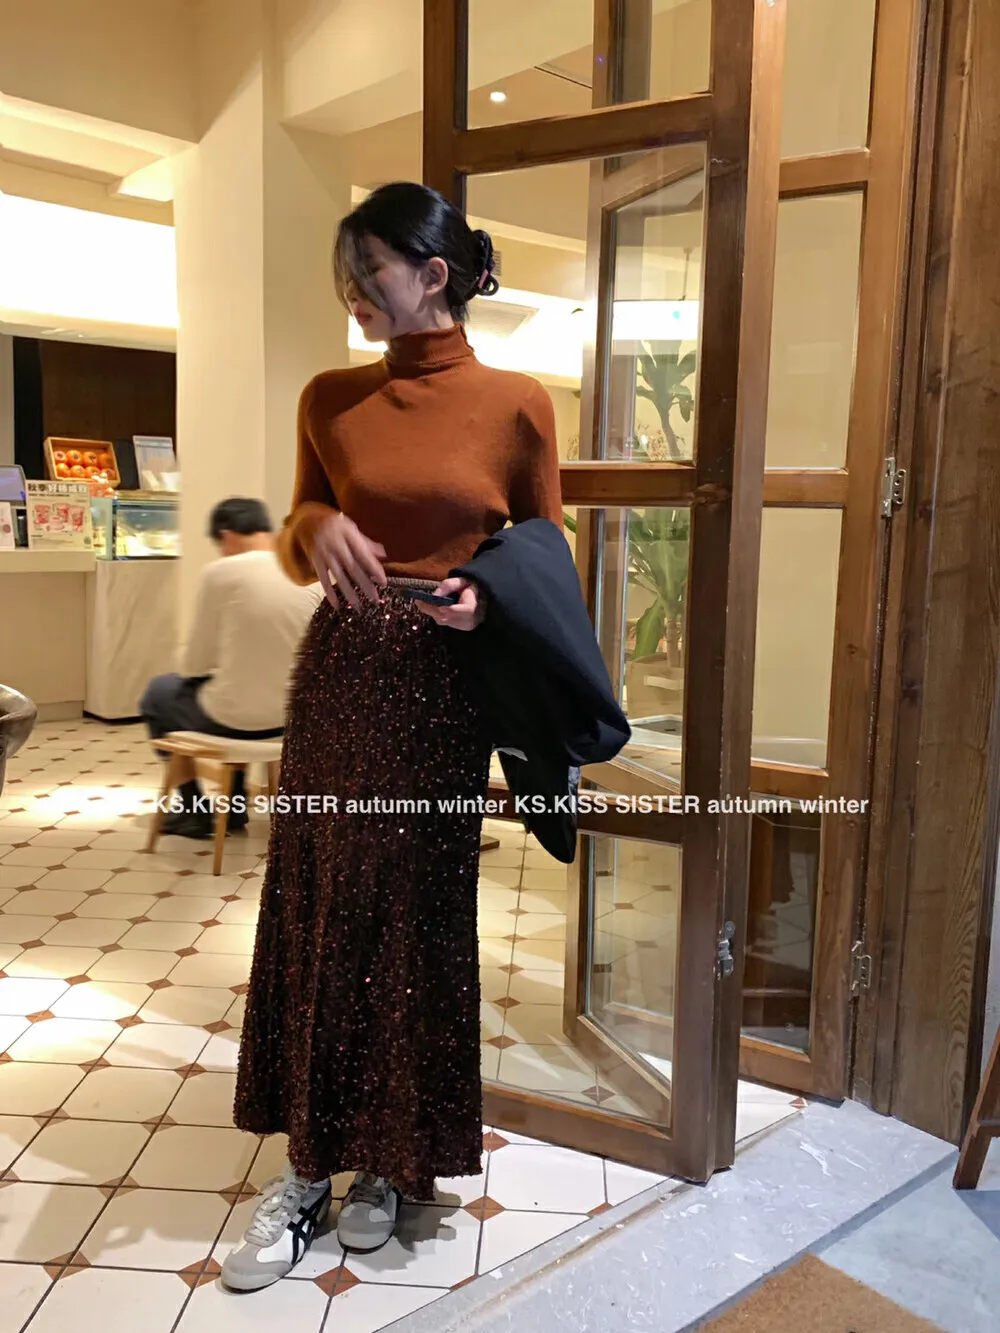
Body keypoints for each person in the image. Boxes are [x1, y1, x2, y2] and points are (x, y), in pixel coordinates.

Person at [222, 181, 563, 1292]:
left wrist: (486, 598)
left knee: (413, 917)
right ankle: (306, 1166)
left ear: (433, 272)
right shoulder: (331, 397)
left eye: (367, 271)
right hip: (341, 676)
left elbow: (544, 557)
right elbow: (294, 538)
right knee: (321, 902)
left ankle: (388, 1158)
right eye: (347, 275)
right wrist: (317, 522)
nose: (352, 294)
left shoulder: (517, 402)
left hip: (444, 691)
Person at [140, 496, 321, 839]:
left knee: (159, 693)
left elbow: (195, 665)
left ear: (226, 536)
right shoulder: (306, 571)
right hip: (294, 721)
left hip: (236, 721)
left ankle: (193, 810)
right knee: (235, 688)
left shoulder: (221, 572)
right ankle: (234, 806)